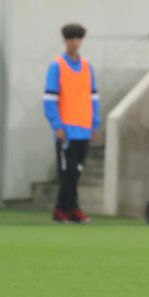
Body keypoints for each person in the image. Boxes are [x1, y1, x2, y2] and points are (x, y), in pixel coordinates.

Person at [44, 24, 99, 224]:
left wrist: (94, 123)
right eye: (71, 39)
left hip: (84, 129)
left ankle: (67, 209)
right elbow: (50, 98)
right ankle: (66, 209)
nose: (75, 43)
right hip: (66, 130)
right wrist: (56, 125)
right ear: (65, 41)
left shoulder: (86, 66)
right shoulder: (57, 66)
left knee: (76, 173)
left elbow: (93, 97)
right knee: (66, 173)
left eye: (78, 39)